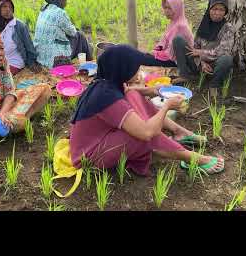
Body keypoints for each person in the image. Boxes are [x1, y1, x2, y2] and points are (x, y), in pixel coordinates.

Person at [69, 44, 224, 176]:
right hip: (87, 157)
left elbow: (129, 90)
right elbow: (146, 133)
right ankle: (192, 158)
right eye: (136, 68)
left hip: (93, 141)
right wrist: (167, 106)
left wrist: (153, 91)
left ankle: (179, 132)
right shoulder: (108, 98)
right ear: (123, 69)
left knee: (134, 95)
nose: (138, 72)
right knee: (142, 136)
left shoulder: (106, 82)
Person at [172, 0, 235, 100]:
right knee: (178, 40)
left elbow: (223, 50)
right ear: (209, 9)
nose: (217, 13)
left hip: (215, 65)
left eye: (221, 10)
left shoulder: (228, 28)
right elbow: (195, 47)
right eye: (214, 9)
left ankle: (214, 85)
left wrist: (202, 53)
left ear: (225, 12)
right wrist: (201, 62)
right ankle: (184, 75)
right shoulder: (204, 24)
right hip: (199, 64)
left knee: (226, 59)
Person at [33, 0, 93, 68]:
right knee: (80, 35)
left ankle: (87, 59)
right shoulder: (60, 13)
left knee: (71, 34)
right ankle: (90, 61)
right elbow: (72, 32)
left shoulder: (44, 9)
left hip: (40, 56)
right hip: (54, 60)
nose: (66, 1)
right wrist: (75, 29)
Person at [0, 0, 38, 75]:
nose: (8, 10)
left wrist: (31, 64)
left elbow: (29, 48)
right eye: (4, 7)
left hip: (12, 63)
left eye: (10, 7)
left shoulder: (18, 26)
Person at [139, 0, 194, 67]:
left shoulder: (180, 26)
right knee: (141, 55)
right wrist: (157, 50)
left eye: (169, 8)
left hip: (176, 61)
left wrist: (156, 54)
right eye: (165, 8)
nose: (166, 11)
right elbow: (164, 41)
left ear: (177, 9)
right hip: (170, 57)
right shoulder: (174, 22)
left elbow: (171, 54)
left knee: (139, 57)